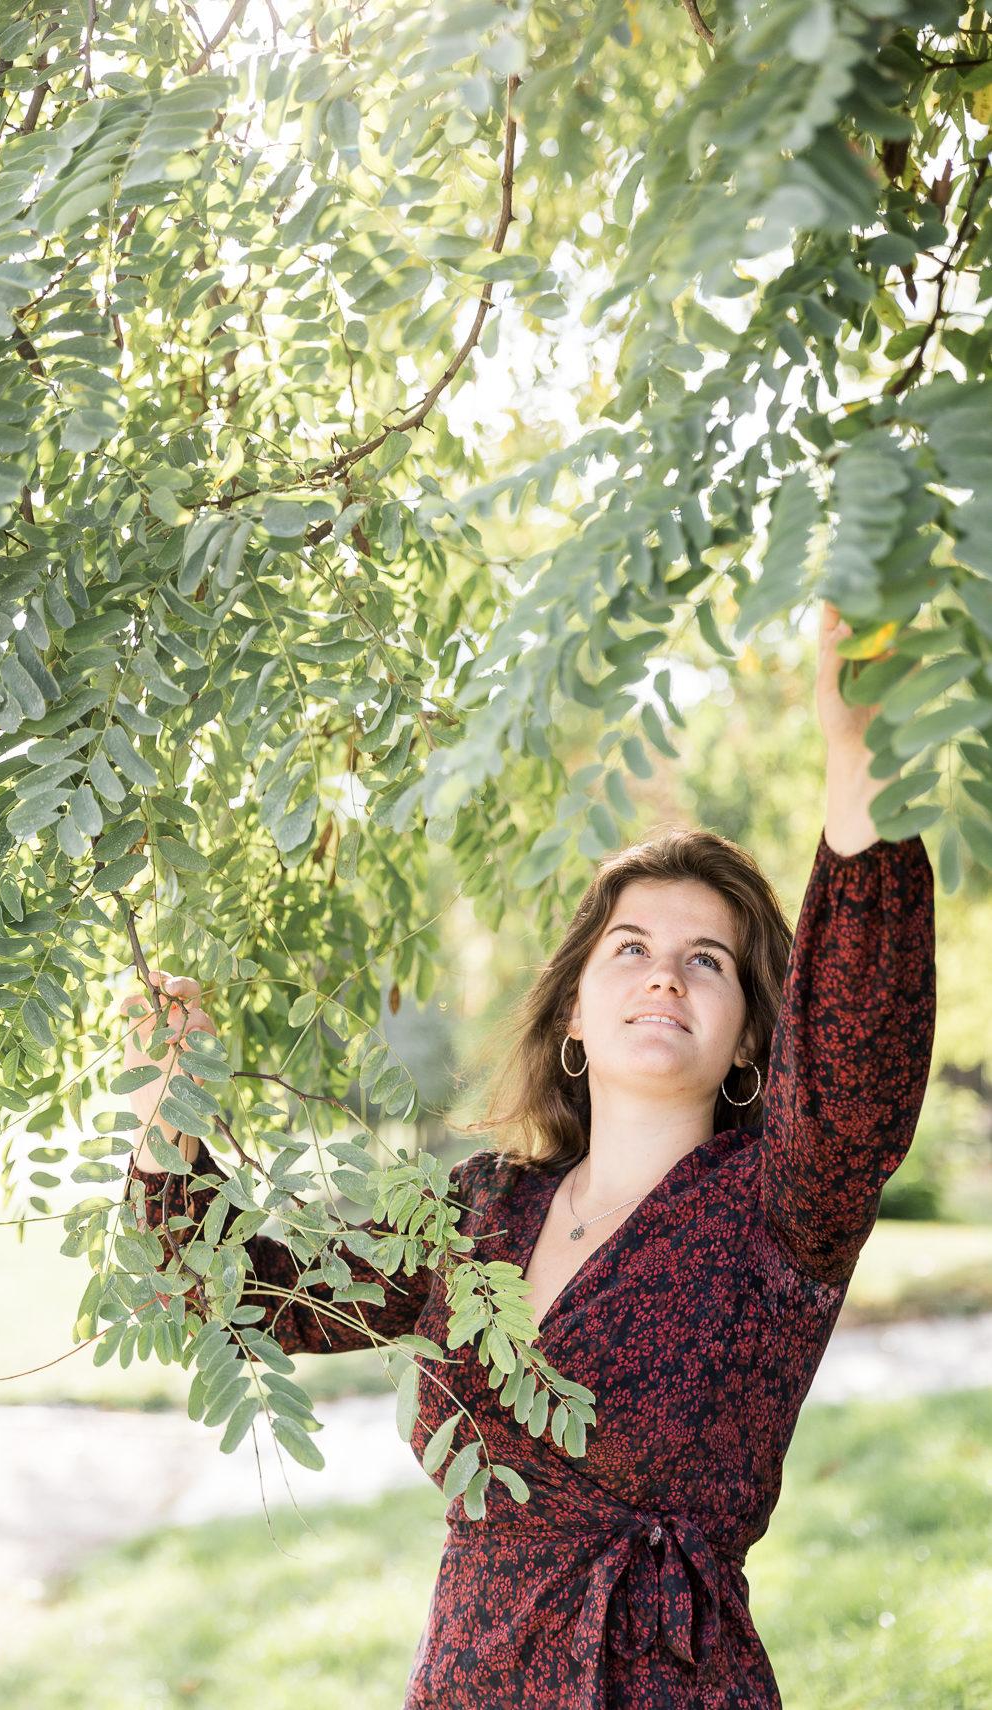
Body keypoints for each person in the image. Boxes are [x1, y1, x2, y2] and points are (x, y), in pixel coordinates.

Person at [118, 602, 937, 1707]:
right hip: (468, 1679)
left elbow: (857, 1055)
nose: (664, 977)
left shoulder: (783, 1209)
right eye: (632, 949)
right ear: (575, 1015)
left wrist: (858, 766)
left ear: (751, 1036)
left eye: (709, 962)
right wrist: (172, 1100)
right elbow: (237, 1292)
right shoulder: (478, 1212)